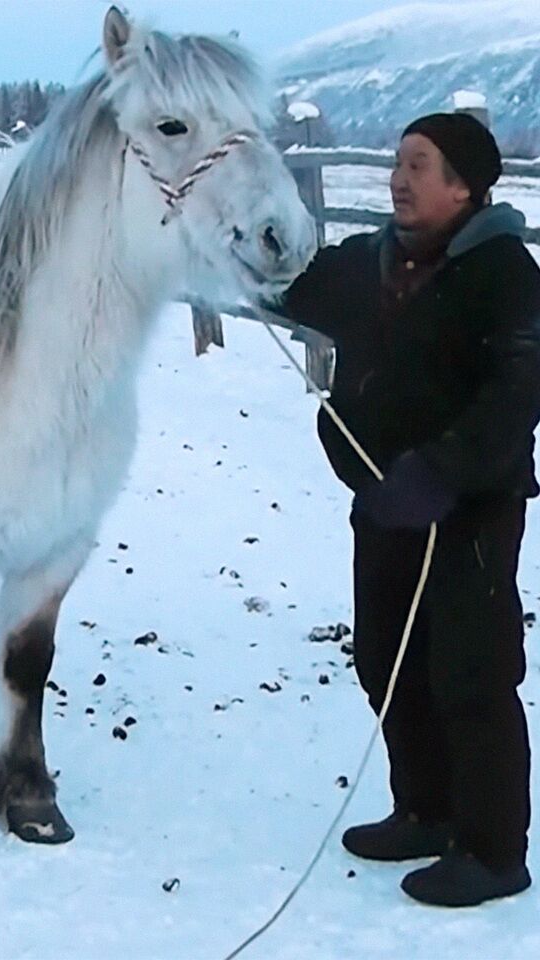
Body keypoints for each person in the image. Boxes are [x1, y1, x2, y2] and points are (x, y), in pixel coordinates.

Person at [277, 112, 540, 907]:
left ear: (465, 185)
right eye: (396, 163)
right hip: (385, 504)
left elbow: (519, 394)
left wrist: (444, 469)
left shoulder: (504, 273)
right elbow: (290, 283)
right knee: (388, 661)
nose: (398, 179)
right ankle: (425, 809)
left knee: (472, 672)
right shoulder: (372, 261)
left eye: (419, 165)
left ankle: (494, 850)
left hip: (468, 513)